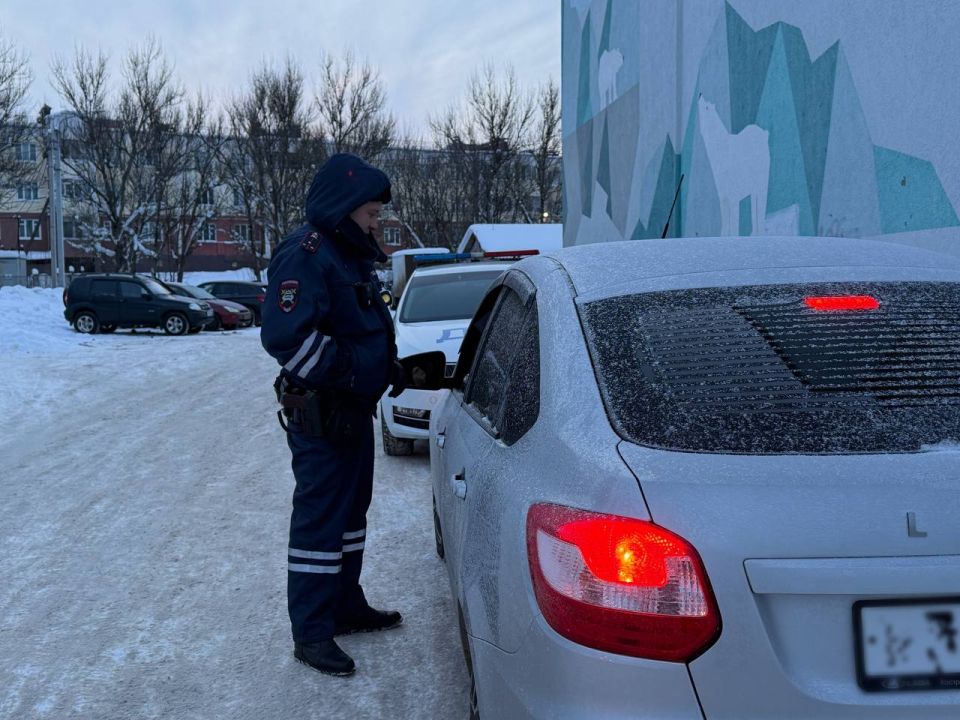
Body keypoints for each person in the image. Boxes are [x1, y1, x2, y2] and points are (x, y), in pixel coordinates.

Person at [261, 153, 407, 677]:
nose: (376, 223)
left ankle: (345, 604)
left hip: (351, 413)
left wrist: (385, 367)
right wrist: (351, 371)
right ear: (344, 209)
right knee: (320, 522)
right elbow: (287, 339)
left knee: (350, 517)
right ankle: (312, 632)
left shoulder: (347, 254)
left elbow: (359, 324)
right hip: (324, 416)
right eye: (370, 214)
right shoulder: (306, 254)